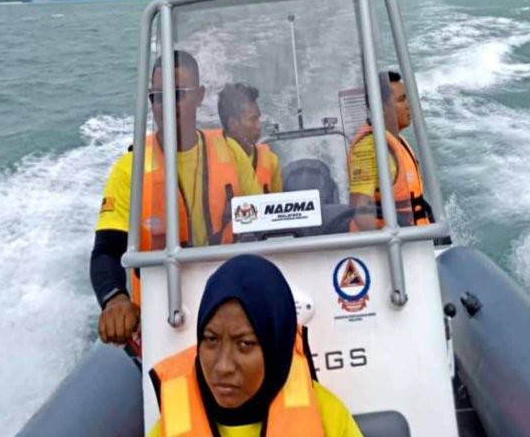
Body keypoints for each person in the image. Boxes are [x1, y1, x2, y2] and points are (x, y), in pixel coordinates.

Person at [90, 50, 262, 345]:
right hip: (162, 320)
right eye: (157, 97)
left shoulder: (231, 152)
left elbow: (264, 228)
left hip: (233, 307)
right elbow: (106, 252)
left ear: (199, 95)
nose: (167, 105)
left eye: (179, 94)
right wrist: (115, 299)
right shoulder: (129, 170)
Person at [147, 254, 362, 437]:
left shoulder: (329, 417)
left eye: (245, 344)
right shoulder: (170, 426)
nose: (223, 367)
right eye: (211, 339)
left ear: (275, 346)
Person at [347, 72, 432, 231]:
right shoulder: (370, 147)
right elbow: (360, 210)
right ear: (381, 107)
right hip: (392, 249)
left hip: (416, 242)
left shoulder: (396, 140)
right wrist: (390, 247)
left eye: (407, 98)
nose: (409, 105)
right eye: (401, 100)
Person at [217, 82, 283, 194]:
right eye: (253, 119)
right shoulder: (209, 164)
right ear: (233, 124)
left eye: (258, 119)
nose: (259, 126)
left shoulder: (271, 161)